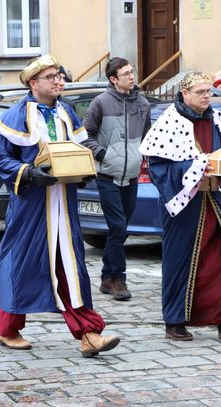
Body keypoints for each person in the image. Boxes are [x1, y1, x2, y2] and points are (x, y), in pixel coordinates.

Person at [0, 55, 120, 357]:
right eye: (51, 77)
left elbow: (80, 147)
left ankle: (89, 332)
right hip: (31, 206)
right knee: (20, 264)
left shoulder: (67, 112)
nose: (59, 81)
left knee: (70, 266)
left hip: (64, 204)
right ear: (33, 83)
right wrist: (28, 173)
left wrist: (84, 170)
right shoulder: (15, 116)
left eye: (59, 75)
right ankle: (8, 327)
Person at [139, 72, 221, 341]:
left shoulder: (218, 120)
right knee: (180, 260)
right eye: (200, 91)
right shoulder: (169, 123)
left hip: (213, 198)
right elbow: (159, 169)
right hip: (183, 203)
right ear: (185, 94)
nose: (206, 96)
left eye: (208, 91)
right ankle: (175, 321)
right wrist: (197, 166)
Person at [82, 57, 151, 301]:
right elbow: (85, 135)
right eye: (126, 74)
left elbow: (146, 136)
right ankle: (118, 279)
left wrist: (141, 157)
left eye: (132, 72)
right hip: (107, 175)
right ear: (113, 79)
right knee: (118, 227)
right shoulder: (101, 102)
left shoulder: (142, 103)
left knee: (120, 230)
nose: (132, 77)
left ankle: (107, 277)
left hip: (131, 176)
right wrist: (104, 154)